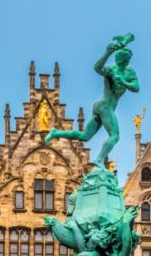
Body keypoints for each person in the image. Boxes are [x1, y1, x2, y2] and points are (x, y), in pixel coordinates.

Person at [45, 36, 139, 167]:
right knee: (115, 136)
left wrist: (123, 82)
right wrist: (107, 53)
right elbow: (97, 68)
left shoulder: (129, 72)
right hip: (105, 106)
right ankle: (100, 160)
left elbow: (136, 87)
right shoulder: (111, 70)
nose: (129, 59)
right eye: (127, 57)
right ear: (123, 59)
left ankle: (56, 133)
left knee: (85, 136)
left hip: (102, 107)